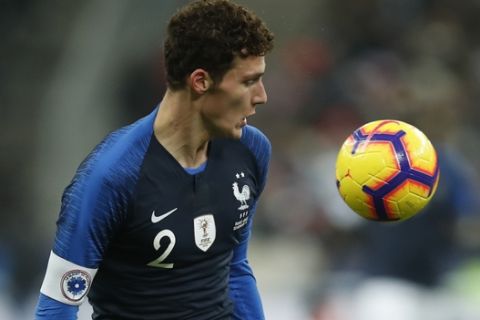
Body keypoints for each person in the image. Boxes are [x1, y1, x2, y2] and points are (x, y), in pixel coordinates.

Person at [34, 0, 274, 319]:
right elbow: (57, 306)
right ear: (200, 81)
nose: (261, 96)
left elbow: (235, 269)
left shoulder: (251, 152)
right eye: (248, 81)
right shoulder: (110, 177)